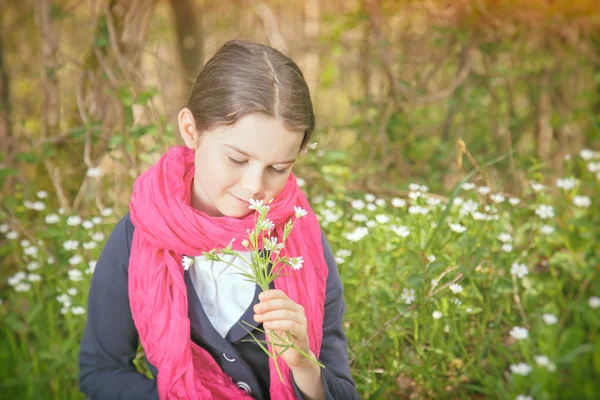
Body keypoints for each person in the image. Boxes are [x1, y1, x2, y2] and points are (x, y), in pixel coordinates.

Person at [78, 39, 359, 400]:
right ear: (191, 130)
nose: (255, 186)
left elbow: (343, 392)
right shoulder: (139, 235)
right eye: (237, 160)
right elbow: (100, 370)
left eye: (277, 168)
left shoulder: (299, 240)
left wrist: (303, 364)